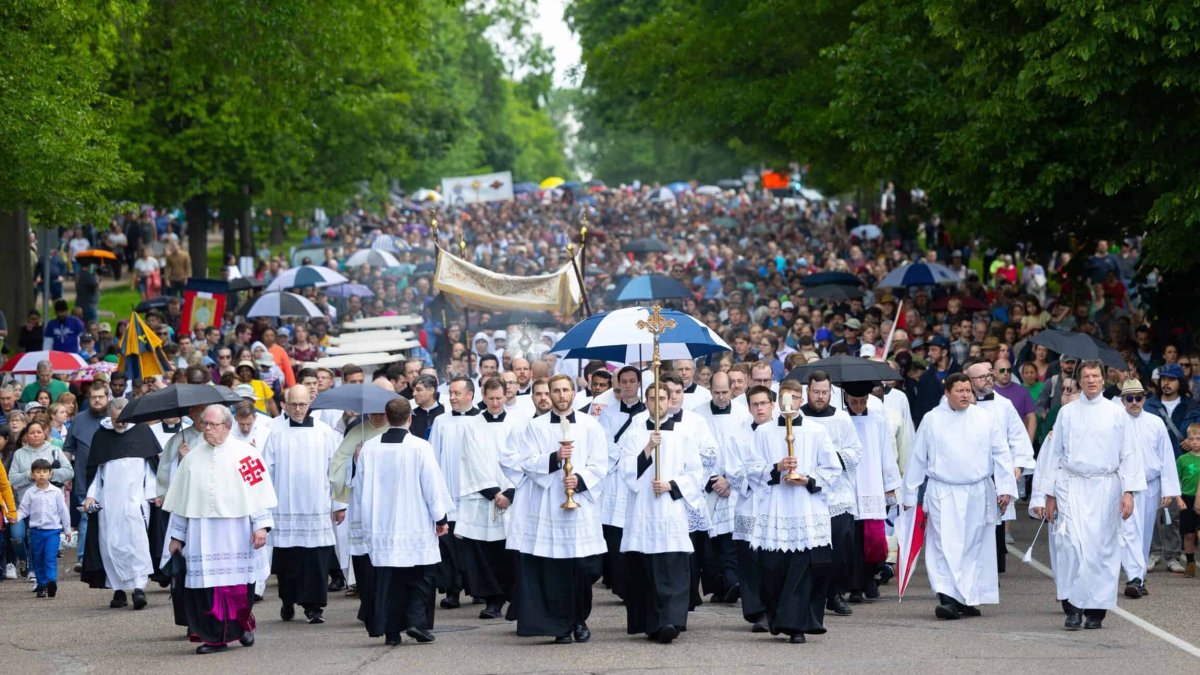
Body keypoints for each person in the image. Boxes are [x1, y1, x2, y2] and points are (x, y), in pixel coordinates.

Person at [1032, 360, 1144, 630]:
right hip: (1072, 485)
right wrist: (1049, 495)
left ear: (1103, 380)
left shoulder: (1117, 413)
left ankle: (1096, 609)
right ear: (1079, 381)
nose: (1091, 380)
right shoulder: (1067, 413)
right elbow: (1054, 454)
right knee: (1070, 547)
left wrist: (1128, 492)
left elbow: (1129, 453)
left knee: (1101, 550)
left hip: (1106, 487)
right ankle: (1072, 607)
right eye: (1086, 376)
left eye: (1096, 376)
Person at [502, 373, 607, 644]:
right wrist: (554, 459)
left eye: (565, 390)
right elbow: (525, 462)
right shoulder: (534, 428)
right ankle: (561, 625)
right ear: (548, 394)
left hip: (580, 509)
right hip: (549, 508)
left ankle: (580, 619)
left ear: (573, 393)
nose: (561, 396)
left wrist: (580, 480)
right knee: (555, 570)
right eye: (555, 391)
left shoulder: (590, 426)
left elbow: (600, 464)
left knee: (583, 569)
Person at [163, 404, 277, 654]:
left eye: (212, 425)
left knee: (236, 586)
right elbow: (182, 502)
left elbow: (258, 494)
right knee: (207, 589)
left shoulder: (246, 454)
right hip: (202, 534)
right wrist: (177, 537)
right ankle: (215, 637)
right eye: (204, 424)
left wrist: (260, 527)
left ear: (227, 426)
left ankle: (242, 625)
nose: (207, 429)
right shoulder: (192, 458)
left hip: (235, 532)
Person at [904, 373, 1016, 620]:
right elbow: (918, 458)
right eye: (960, 391)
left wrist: (1006, 487)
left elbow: (1001, 452)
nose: (966, 395)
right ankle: (947, 597)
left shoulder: (984, 418)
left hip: (977, 490)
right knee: (944, 545)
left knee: (972, 545)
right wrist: (910, 494)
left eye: (968, 390)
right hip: (944, 491)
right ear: (947, 393)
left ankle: (965, 597)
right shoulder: (932, 420)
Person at [352, 397, 453, 646]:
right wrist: (440, 518)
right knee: (422, 574)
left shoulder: (369, 448)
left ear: (386, 418)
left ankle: (391, 632)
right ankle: (416, 622)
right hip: (414, 522)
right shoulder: (419, 447)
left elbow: (360, 488)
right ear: (410, 418)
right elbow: (432, 486)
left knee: (390, 580)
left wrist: (365, 523)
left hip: (381, 525)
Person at [745, 379, 840, 644]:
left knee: (803, 569)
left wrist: (807, 480)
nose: (791, 403)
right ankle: (778, 618)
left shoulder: (816, 431)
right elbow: (752, 469)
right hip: (775, 508)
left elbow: (833, 468)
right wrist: (776, 468)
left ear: (801, 400)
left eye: (795, 398)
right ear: (777, 402)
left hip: (806, 509)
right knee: (773, 570)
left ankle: (798, 625)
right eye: (785, 398)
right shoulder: (763, 433)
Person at [617, 382, 704, 643]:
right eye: (653, 398)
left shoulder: (683, 433)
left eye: (663, 398)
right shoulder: (635, 432)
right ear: (646, 402)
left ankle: (671, 621)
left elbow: (695, 472)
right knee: (646, 567)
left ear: (670, 401)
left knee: (673, 566)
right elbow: (625, 471)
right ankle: (651, 622)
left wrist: (671, 485)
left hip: (670, 507)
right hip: (643, 507)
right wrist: (647, 448)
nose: (658, 403)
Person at [263, 385, 344, 625]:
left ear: (310, 403)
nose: (298, 409)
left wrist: (338, 504)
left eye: (303, 404)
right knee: (289, 560)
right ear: (285, 405)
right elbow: (267, 470)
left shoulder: (325, 432)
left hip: (316, 505)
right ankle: (288, 601)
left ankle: (314, 607)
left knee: (316, 559)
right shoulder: (276, 433)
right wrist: (266, 506)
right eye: (293, 404)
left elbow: (336, 470)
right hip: (286, 505)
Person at [81, 398, 161, 610]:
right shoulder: (102, 435)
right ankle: (118, 590)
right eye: (116, 419)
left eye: (124, 419)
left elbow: (151, 469)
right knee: (110, 544)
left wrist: (153, 494)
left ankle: (138, 588)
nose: (121, 423)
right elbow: (96, 473)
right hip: (109, 501)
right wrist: (91, 495)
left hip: (137, 500)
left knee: (136, 544)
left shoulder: (142, 431)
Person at [798, 372, 862, 617]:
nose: (820, 396)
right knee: (812, 547)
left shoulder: (841, 418)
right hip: (808, 491)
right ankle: (811, 592)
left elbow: (856, 452)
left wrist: (831, 458)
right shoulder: (799, 417)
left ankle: (834, 594)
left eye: (825, 392)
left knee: (842, 544)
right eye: (816, 392)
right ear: (808, 392)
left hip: (838, 493)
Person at [457, 378, 517, 619]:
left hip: (514, 496)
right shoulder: (472, 426)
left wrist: (511, 492)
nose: (495, 403)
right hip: (485, 498)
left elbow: (524, 458)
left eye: (499, 398)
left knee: (512, 552)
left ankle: (516, 599)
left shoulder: (519, 423)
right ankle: (493, 600)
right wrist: (494, 493)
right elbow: (471, 462)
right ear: (483, 395)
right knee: (488, 552)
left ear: (506, 395)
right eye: (490, 398)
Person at [1117, 379, 1182, 597]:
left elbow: (1167, 456)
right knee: (1129, 531)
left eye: (1138, 397)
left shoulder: (1155, 423)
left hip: (1151, 485)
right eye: (1129, 398)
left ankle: (1140, 577)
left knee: (1144, 532)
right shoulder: (1115, 422)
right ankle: (1134, 576)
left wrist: (1168, 490)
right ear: (1122, 400)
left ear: (1145, 398)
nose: (1134, 402)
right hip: (1126, 487)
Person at [693, 371, 753, 605]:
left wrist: (729, 479)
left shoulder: (742, 414)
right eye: (716, 393)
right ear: (710, 390)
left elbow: (747, 449)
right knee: (710, 541)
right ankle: (718, 588)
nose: (720, 397)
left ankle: (732, 583)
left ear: (732, 390)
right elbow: (695, 449)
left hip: (733, 483)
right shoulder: (698, 414)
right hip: (707, 483)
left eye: (725, 392)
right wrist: (711, 479)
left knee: (729, 539)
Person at [841, 380, 902, 601]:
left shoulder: (878, 419)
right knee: (852, 541)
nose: (858, 406)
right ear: (846, 398)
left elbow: (887, 452)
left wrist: (890, 486)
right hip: (848, 484)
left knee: (875, 540)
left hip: (872, 482)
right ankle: (856, 586)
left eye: (862, 401)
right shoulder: (840, 419)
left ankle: (869, 577)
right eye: (854, 401)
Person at [427, 376, 478, 609]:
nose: (453, 398)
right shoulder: (440, 421)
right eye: (451, 393)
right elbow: (434, 456)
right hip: (449, 490)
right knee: (449, 547)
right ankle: (452, 591)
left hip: (475, 491)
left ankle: (478, 589)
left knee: (474, 544)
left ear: (470, 394)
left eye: (458, 393)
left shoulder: (481, 419)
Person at [595, 365, 644, 599]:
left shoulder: (647, 414)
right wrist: (625, 457)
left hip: (639, 477)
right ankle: (621, 585)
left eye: (632, 381)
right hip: (616, 478)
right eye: (623, 381)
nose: (627, 385)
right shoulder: (607, 414)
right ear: (618, 384)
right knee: (616, 534)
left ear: (639, 383)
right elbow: (605, 443)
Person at [8, 421, 73, 583]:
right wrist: (30, 476)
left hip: (47, 502)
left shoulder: (54, 451)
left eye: (39, 432)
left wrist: (47, 475)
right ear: (26, 435)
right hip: (23, 502)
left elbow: (69, 472)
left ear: (44, 433)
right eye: (32, 432)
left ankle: (34, 571)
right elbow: (12, 479)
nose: (36, 435)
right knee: (17, 536)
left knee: (34, 539)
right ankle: (24, 560)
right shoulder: (19, 454)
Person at [16, 458, 72, 598]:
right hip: (35, 531)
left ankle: (51, 581)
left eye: (45, 471)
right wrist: (13, 518)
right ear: (33, 474)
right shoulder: (30, 493)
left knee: (50, 557)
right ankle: (41, 585)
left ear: (50, 474)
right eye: (38, 472)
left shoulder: (56, 492)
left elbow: (63, 511)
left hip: (52, 531)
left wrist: (67, 529)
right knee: (38, 558)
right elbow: (23, 510)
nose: (41, 474)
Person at [1178, 424, 1200, 577]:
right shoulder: (1182, 459)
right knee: (1189, 534)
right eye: (1191, 439)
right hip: (1187, 498)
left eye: (1198, 439)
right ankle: (1190, 563)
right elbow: (1174, 481)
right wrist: (1178, 499)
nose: (1195, 442)